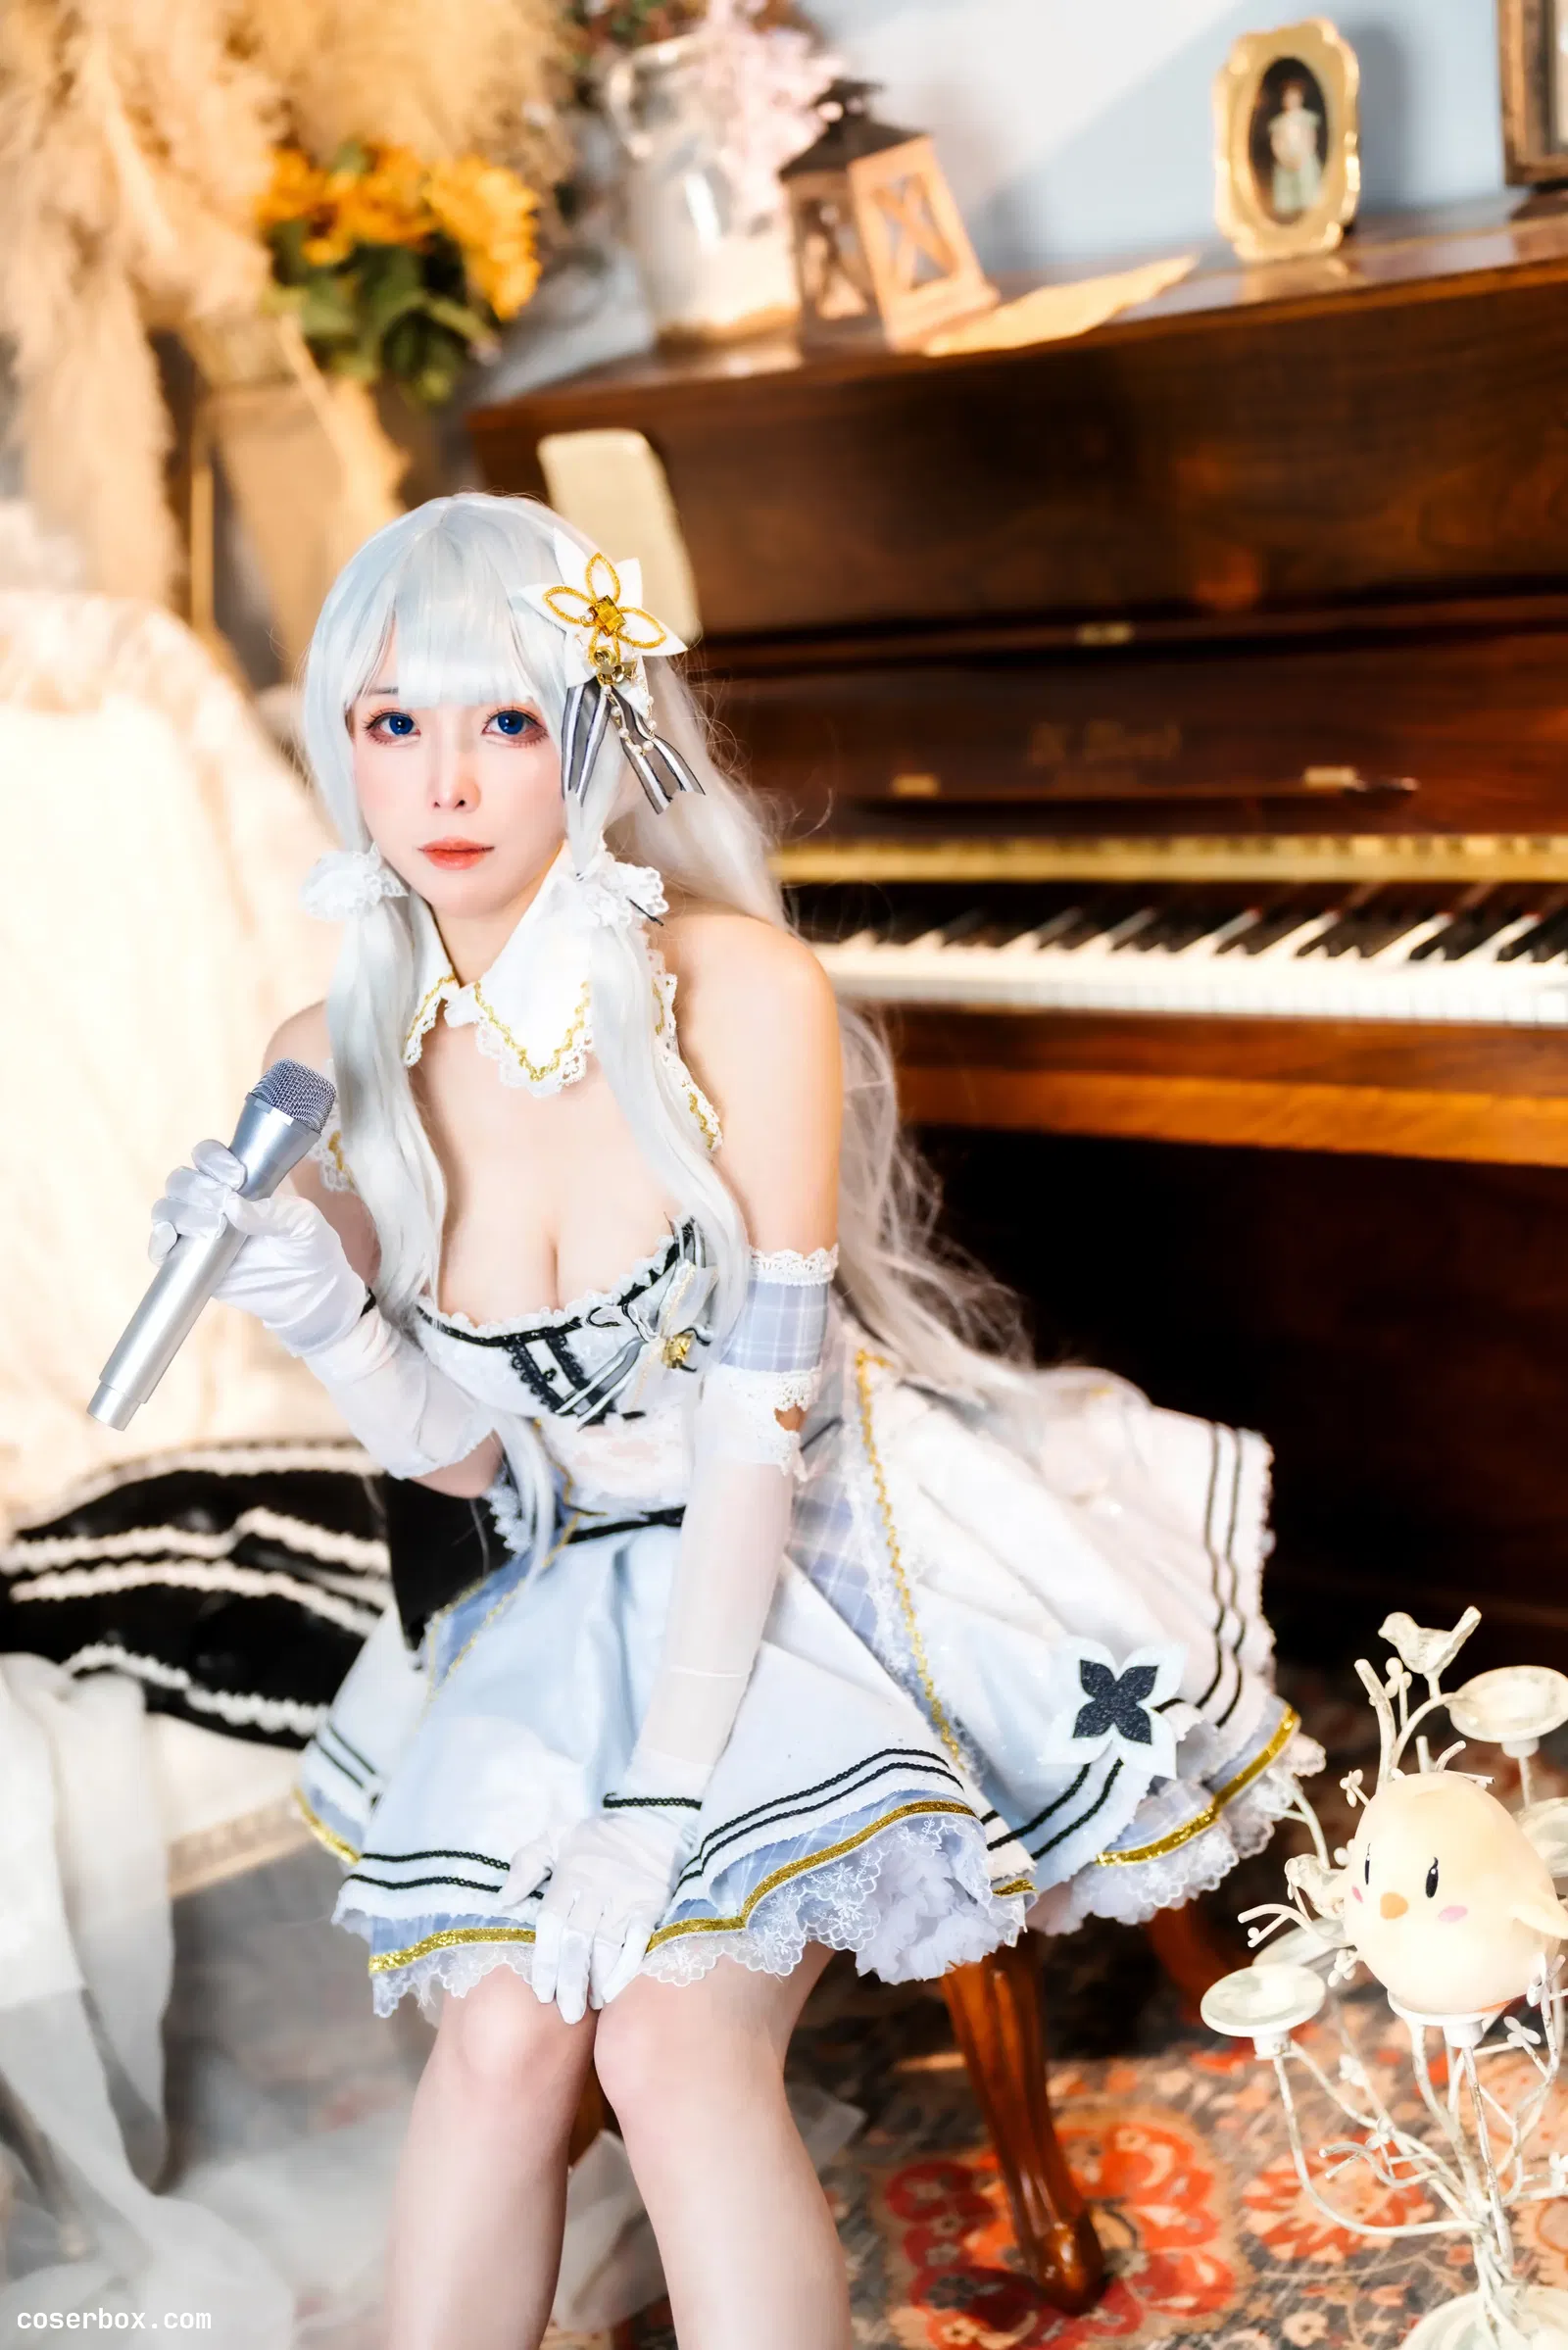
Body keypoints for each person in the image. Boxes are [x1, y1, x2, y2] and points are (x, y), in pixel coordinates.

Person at [147, 493, 1318, 2350]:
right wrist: (320, 1308)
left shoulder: (742, 993)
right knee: (503, 2037)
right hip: (569, 1577)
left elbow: (755, 1437)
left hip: (816, 1555)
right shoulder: (325, 1051)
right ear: (338, 744)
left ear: (594, 729)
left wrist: (659, 1801)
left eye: (505, 716)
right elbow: (466, 1460)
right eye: (393, 720)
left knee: (674, 2040)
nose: (445, 779)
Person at [1267, 77, 1324, 220]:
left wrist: (1303, 156)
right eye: (1288, 97)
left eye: (1294, 97)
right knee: (1287, 190)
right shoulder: (1280, 122)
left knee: (1306, 185)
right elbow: (1276, 142)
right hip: (1286, 160)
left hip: (1303, 158)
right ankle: (1290, 218)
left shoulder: (1306, 118)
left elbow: (1310, 139)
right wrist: (1283, 157)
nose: (1290, 100)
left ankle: (1309, 217)